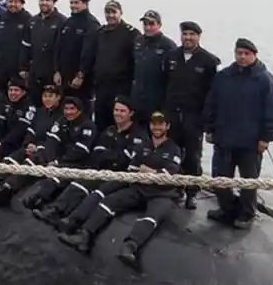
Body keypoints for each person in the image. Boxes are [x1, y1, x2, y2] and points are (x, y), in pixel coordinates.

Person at [57, 112, 182, 272]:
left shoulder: (174, 149)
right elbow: (132, 168)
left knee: (152, 216)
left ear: (167, 126)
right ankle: (85, 235)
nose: (156, 127)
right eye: (154, 124)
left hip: (161, 194)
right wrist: (153, 173)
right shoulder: (143, 145)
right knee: (108, 202)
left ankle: (130, 246)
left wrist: (148, 171)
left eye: (160, 124)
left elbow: (169, 174)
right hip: (139, 188)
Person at [203, 37, 273, 229]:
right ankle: (227, 209)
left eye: (246, 54)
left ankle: (247, 214)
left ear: (254, 55)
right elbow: (211, 104)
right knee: (219, 179)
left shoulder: (265, 80)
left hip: (250, 142)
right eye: (239, 53)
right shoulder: (223, 77)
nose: (242, 57)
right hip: (224, 138)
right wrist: (209, 128)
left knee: (248, 181)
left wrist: (266, 138)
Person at [32, 96, 146, 227]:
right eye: (116, 110)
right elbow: (97, 154)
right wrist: (111, 156)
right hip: (101, 170)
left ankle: (73, 222)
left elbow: (125, 159)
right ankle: (55, 211)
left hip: (121, 176)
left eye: (122, 111)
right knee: (81, 183)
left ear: (130, 113)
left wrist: (108, 156)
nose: (118, 114)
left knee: (98, 192)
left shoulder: (138, 135)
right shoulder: (109, 131)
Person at [163, 21, 220, 209]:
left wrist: (208, 122)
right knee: (173, 152)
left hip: (193, 116)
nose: (188, 38)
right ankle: (175, 187)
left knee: (193, 155)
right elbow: (165, 84)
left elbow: (213, 94)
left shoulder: (209, 61)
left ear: (198, 36)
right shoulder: (172, 56)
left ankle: (192, 193)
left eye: (191, 34)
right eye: (185, 34)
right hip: (172, 114)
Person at [79, 0, 139, 131]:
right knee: (100, 122)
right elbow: (91, 56)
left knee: (118, 123)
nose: (110, 15)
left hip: (120, 88)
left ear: (121, 13)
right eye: (108, 12)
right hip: (101, 88)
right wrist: (82, 73)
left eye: (114, 12)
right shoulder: (100, 33)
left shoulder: (131, 34)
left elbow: (137, 61)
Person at [52, 0, 100, 116]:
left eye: (76, 3)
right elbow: (58, 47)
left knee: (81, 112)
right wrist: (57, 70)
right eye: (71, 3)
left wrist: (81, 74)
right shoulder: (68, 22)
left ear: (85, 4)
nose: (73, 6)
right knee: (65, 111)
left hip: (81, 81)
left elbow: (89, 52)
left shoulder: (91, 24)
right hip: (64, 78)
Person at [20, 0, 67, 103]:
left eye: (47, 0)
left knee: (52, 103)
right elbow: (26, 46)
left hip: (52, 71)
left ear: (54, 2)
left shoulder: (62, 21)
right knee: (34, 102)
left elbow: (63, 51)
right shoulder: (32, 21)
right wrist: (23, 67)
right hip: (35, 71)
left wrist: (58, 71)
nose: (44, 3)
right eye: (41, 0)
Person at [130, 10, 177, 124]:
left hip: (156, 101)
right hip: (137, 99)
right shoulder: (138, 41)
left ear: (159, 25)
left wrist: (166, 105)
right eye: (145, 24)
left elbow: (172, 78)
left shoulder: (168, 46)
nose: (147, 27)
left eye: (151, 24)